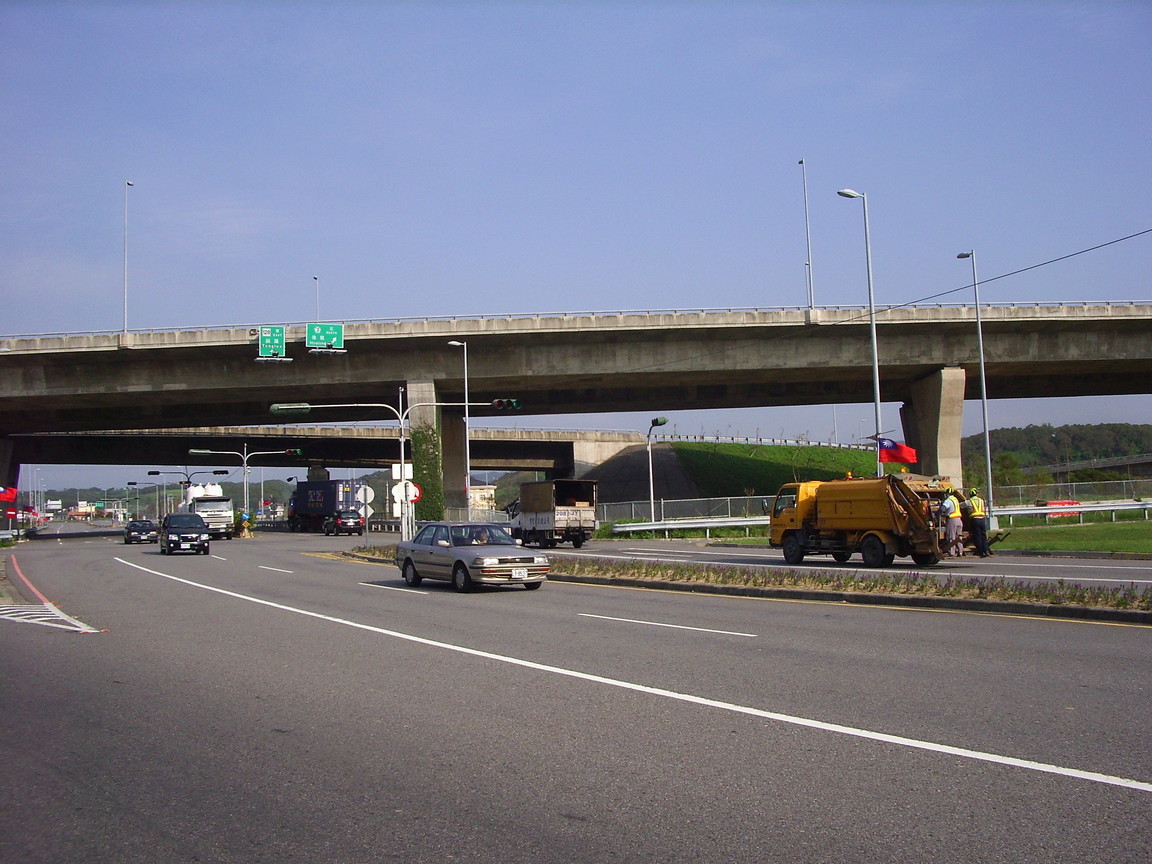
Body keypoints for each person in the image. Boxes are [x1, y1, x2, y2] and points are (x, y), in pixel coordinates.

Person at [941, 488, 965, 557]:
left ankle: (952, 552)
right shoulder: (955, 499)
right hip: (959, 520)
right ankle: (960, 551)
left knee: (951, 536)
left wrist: (938, 513)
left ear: (947, 494)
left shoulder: (948, 500)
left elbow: (943, 508)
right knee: (959, 536)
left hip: (952, 520)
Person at [967, 488, 991, 557]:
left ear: (970, 495)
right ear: (976, 494)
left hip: (975, 519)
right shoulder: (981, 500)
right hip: (982, 519)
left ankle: (980, 551)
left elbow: (961, 505)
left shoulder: (969, 501)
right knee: (983, 535)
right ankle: (986, 550)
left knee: (977, 536)